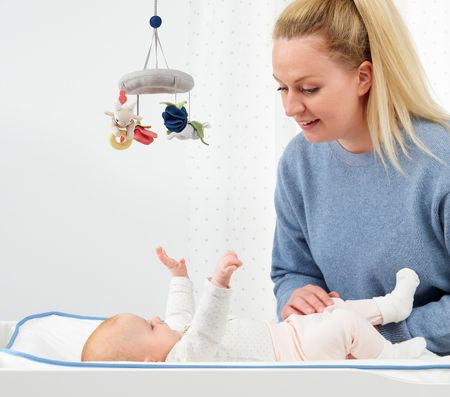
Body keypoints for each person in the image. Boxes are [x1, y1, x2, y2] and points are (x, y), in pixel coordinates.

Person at [270, 0, 450, 355]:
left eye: (308, 89)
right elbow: (291, 271)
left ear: (363, 78)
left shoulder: (439, 162)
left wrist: (379, 337)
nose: (290, 108)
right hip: (342, 370)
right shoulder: (298, 163)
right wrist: (297, 297)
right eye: (282, 88)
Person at [81, 247, 426, 363]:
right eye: (149, 326)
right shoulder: (184, 360)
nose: (157, 318)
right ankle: (392, 356)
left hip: (287, 334)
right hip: (294, 358)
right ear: (150, 363)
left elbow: (179, 313)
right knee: (343, 325)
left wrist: (178, 275)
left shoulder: (176, 335)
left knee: (334, 309)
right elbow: (206, 327)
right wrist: (218, 285)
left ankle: (392, 306)